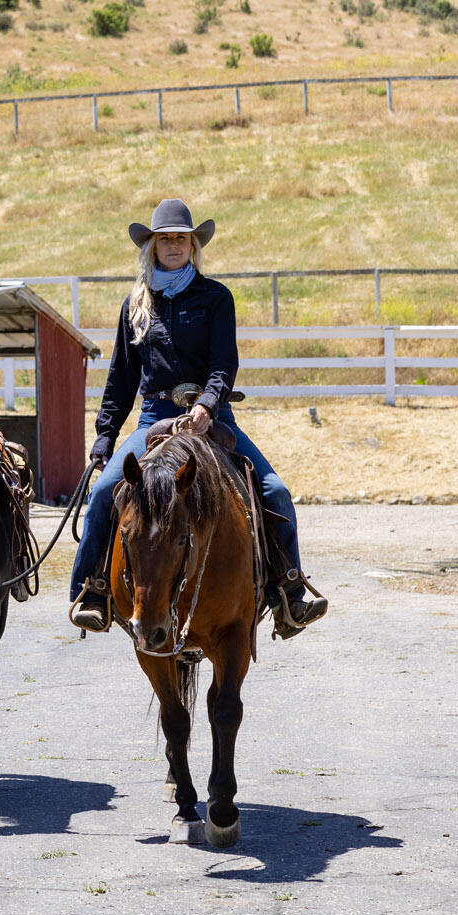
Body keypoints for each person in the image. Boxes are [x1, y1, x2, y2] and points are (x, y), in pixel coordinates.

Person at [69, 198, 327, 639]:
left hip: (212, 416)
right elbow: (120, 380)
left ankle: (289, 592)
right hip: (153, 416)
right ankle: (90, 591)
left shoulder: (215, 298)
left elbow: (224, 364)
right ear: (152, 246)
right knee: (104, 493)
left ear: (193, 245)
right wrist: (104, 439)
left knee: (275, 492)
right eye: (165, 238)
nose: (173, 245)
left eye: (181, 238)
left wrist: (206, 405)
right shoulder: (135, 304)